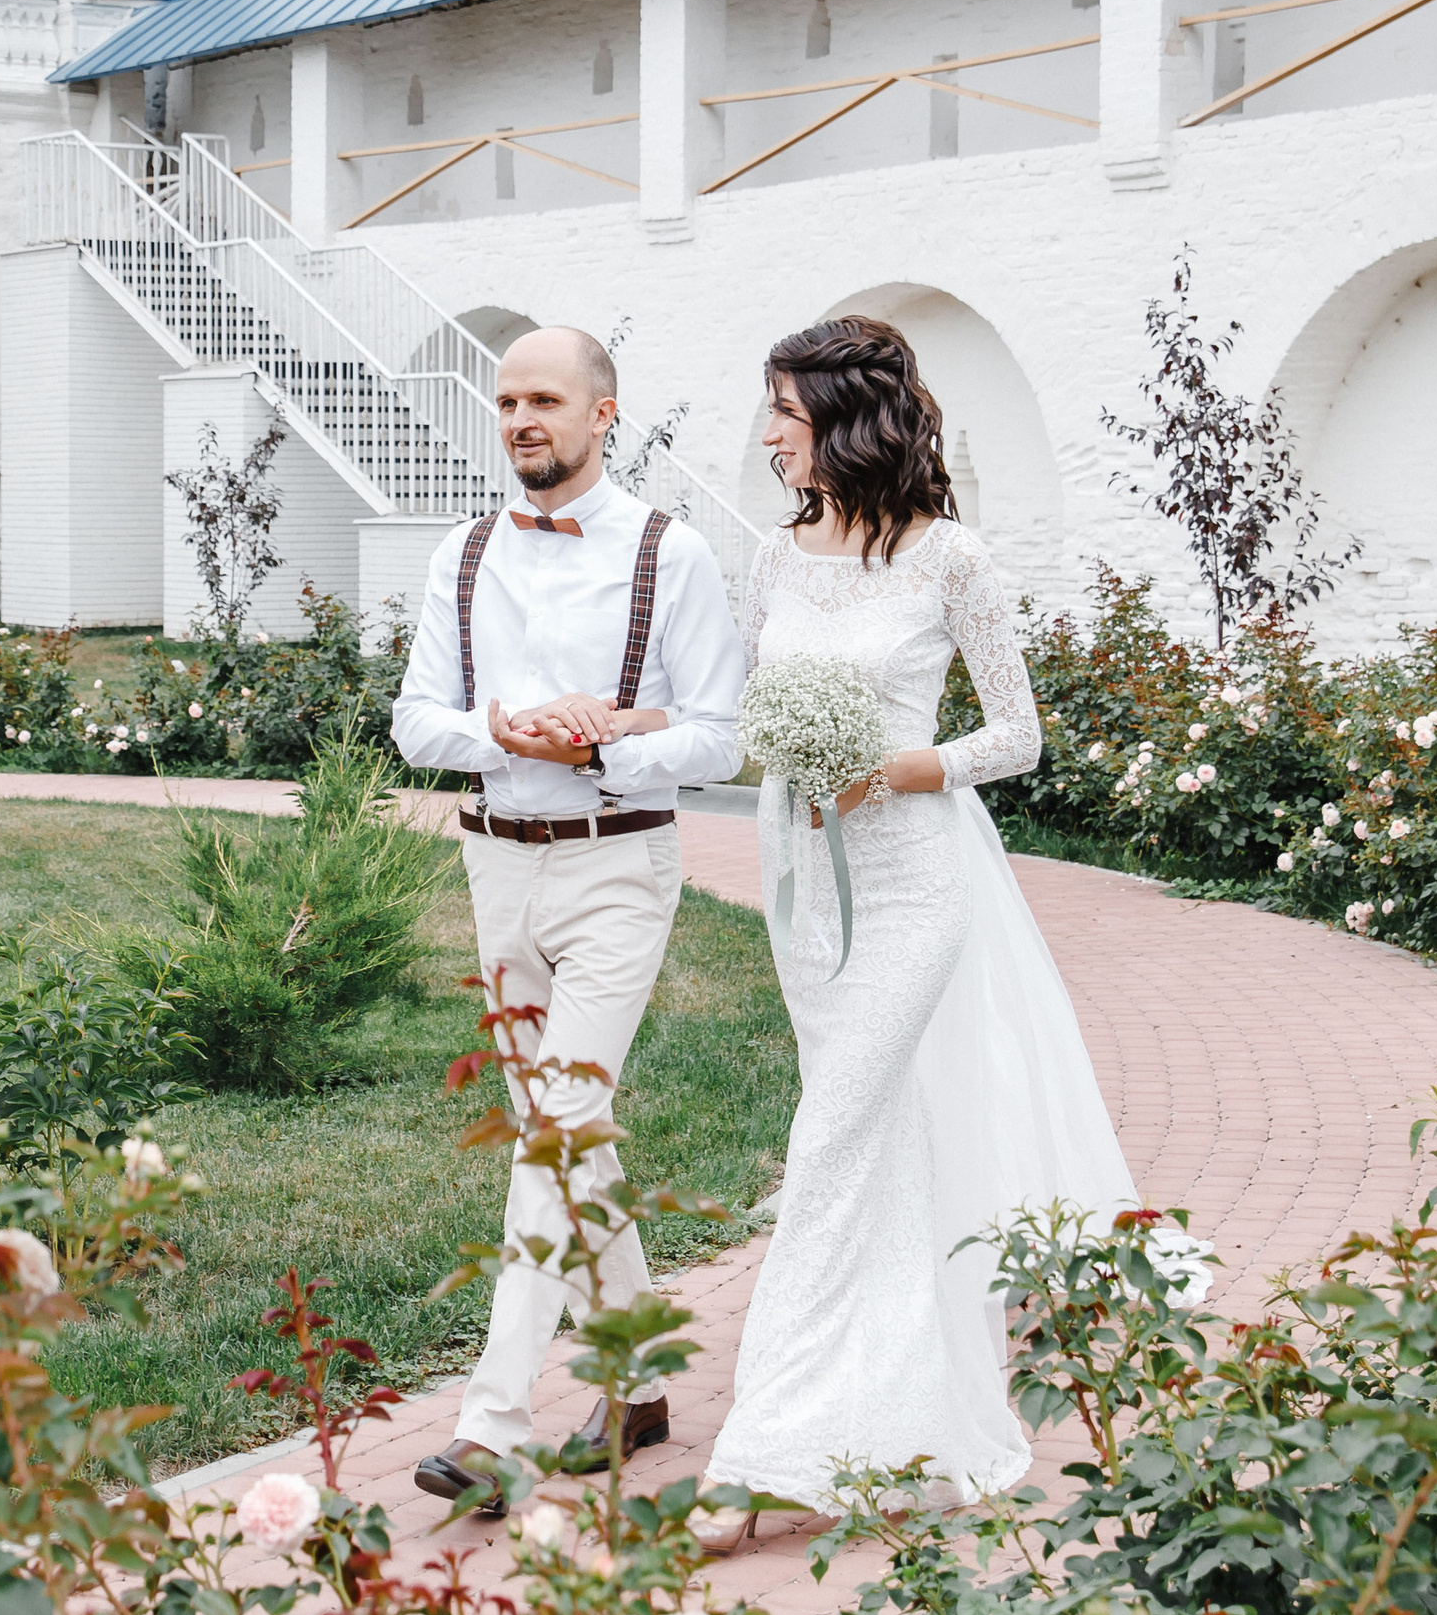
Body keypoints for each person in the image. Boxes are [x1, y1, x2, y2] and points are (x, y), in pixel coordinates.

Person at [702, 314, 1141, 1540]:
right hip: (802, 889)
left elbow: (1017, 736)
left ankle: (763, 1451)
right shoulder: (777, 557)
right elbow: (749, 712)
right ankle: (906, 1420)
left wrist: (895, 769)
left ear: (846, 419)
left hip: (909, 887)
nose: (769, 436)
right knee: (878, 1149)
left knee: (828, 1141)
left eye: (784, 414)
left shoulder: (954, 561)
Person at [391, 326, 745, 1520]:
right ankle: (639, 1384)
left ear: (603, 414)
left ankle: (491, 1423)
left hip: (614, 872)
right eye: (505, 401)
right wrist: (510, 730)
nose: (520, 419)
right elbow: (416, 723)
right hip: (497, 868)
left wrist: (605, 739)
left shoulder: (670, 552)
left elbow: (718, 735)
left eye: (544, 398)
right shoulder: (462, 552)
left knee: (550, 1133)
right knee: (572, 1137)